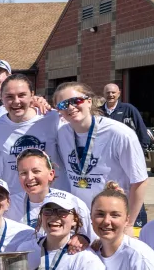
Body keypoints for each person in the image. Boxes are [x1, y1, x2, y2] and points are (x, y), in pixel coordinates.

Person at [53, 81, 148, 225]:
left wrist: (129, 224)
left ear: (89, 102)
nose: (71, 107)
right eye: (63, 105)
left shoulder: (120, 134)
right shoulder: (62, 134)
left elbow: (140, 181)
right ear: (58, 110)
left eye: (76, 100)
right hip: (83, 220)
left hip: (117, 218)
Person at [0, 74, 65, 190]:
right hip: (15, 201)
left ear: (32, 94)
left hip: (51, 200)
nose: (16, 102)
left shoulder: (53, 118)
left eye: (22, 95)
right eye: (9, 97)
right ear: (1, 98)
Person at [6, 150, 91, 236]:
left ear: (51, 174)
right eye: (23, 173)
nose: (29, 177)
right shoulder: (9, 205)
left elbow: (92, 241)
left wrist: (83, 239)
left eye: (36, 171)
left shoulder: (73, 203)